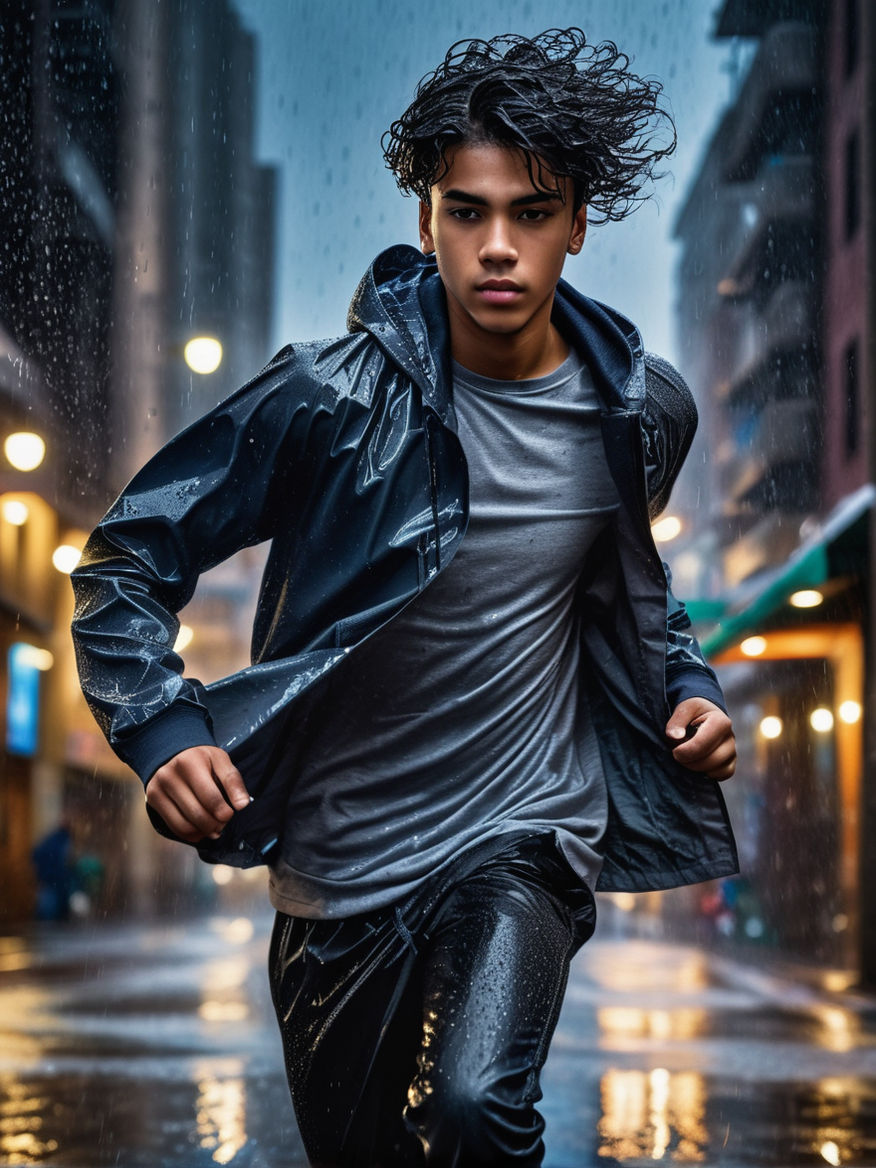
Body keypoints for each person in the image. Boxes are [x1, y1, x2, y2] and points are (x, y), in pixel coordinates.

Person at [71, 28, 737, 1166]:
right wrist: (162, 723)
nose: (497, 247)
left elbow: (622, 591)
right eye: (464, 210)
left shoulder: (639, 414)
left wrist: (684, 681)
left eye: (532, 212)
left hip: (524, 833)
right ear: (424, 218)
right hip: (341, 871)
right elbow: (129, 556)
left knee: (474, 1107)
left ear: (579, 225)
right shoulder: (326, 402)